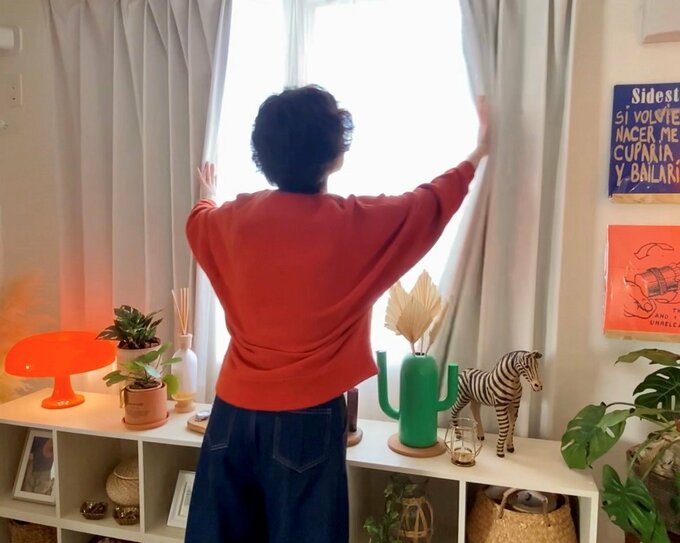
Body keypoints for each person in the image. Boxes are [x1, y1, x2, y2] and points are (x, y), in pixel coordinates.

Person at [184, 85, 489, 543]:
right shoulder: (353, 224)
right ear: (335, 155)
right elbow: (428, 203)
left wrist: (208, 193)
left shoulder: (232, 219)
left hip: (229, 415)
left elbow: (199, 221)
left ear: (263, 156)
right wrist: (478, 151)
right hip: (306, 419)